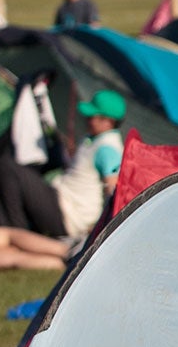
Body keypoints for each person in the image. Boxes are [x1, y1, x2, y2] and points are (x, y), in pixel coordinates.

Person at [54, 90, 126, 242]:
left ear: (108, 121)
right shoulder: (93, 138)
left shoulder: (107, 149)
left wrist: (101, 228)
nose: (87, 119)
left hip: (72, 213)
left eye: (92, 117)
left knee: (12, 171)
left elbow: (113, 189)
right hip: (63, 199)